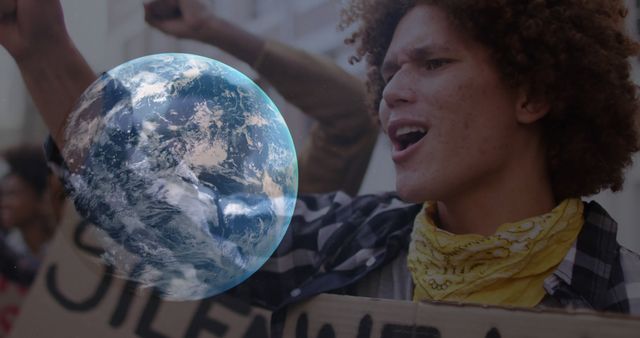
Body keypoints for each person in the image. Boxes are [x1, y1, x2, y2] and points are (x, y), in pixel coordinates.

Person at [0, 0, 639, 331]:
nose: (391, 92)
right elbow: (166, 212)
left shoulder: (627, 300)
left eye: (433, 64)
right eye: (388, 72)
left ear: (534, 93)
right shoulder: (337, 244)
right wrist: (43, 51)